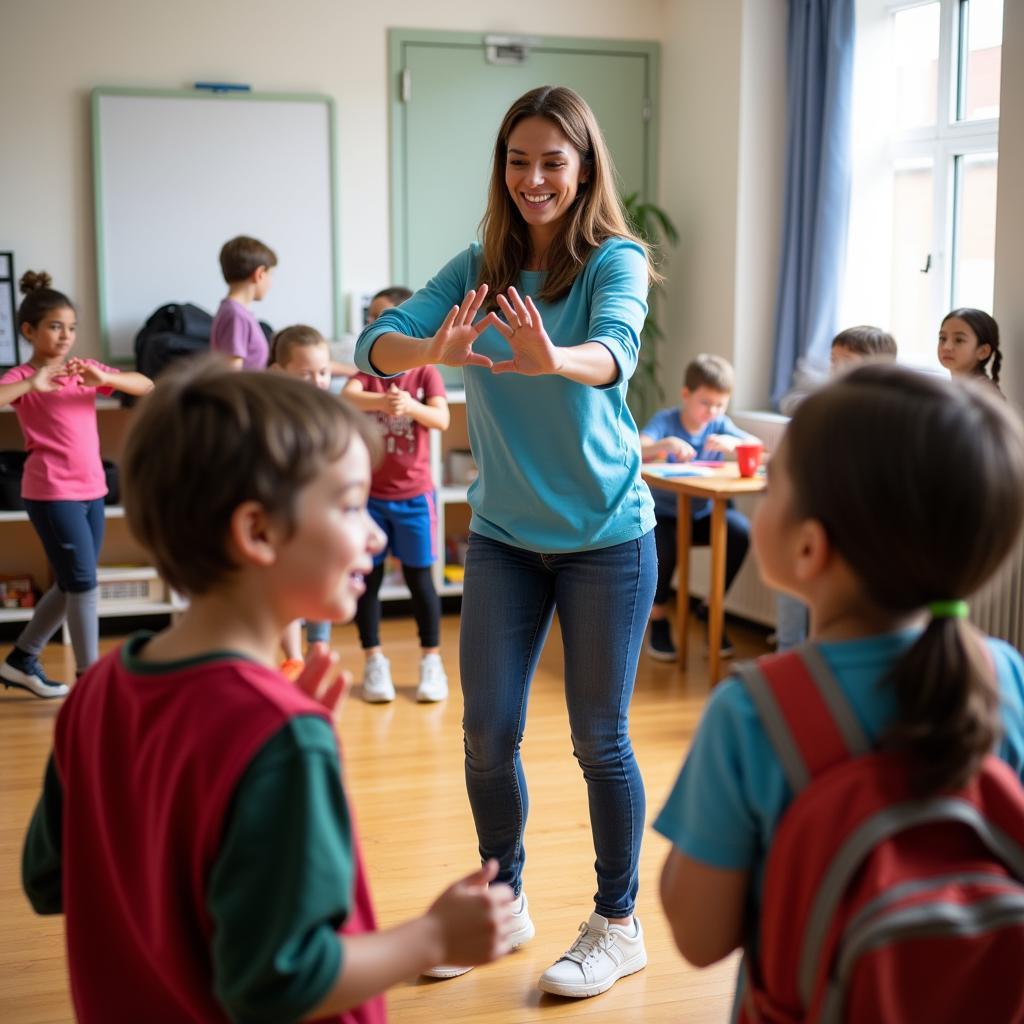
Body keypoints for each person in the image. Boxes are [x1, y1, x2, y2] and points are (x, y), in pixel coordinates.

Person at [21, 359, 515, 1023]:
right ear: (257, 531)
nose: (374, 533)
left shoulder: (98, 691)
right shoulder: (280, 737)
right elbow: (276, 984)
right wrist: (429, 938)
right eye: (348, 505)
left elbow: (50, 879)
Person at [354, 84, 658, 998]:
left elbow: (618, 351)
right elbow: (376, 342)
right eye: (518, 161)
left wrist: (552, 359)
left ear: (584, 167)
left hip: (607, 535)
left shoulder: (616, 259)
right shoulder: (479, 264)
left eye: (552, 162)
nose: (533, 178)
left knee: (600, 739)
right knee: (487, 734)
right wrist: (427, 352)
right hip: (503, 536)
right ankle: (505, 898)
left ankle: (617, 923)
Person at [655, 364, 1024, 1018]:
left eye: (771, 486)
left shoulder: (753, 711)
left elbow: (699, 937)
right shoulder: (1006, 674)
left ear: (809, 549)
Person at [0, 271, 153, 697]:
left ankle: (21, 659)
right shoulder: (23, 376)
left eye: (71, 327)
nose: (66, 336)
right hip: (51, 493)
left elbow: (146, 385)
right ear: (29, 330)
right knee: (83, 582)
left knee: (73, 581)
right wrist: (32, 383)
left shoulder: (80, 370)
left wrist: (104, 379)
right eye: (54, 326)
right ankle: (91, 681)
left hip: (92, 491)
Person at [343, 313, 450, 703]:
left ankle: (431, 663)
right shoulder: (368, 372)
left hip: (415, 497)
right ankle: (374, 661)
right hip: (371, 499)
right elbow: (347, 396)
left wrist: (410, 406)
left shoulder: (424, 372)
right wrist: (383, 400)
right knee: (366, 582)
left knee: (421, 581)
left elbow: (441, 417)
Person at [776, 325, 898, 651]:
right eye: (833, 361)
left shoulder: (883, 422)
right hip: (812, 523)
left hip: (851, 536)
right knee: (791, 598)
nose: (836, 370)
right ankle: (787, 657)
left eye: (848, 362)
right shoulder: (822, 410)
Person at [639, 354, 760, 661]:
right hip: (666, 514)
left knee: (740, 532)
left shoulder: (720, 424)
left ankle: (711, 608)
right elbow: (637, 447)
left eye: (720, 405)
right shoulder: (666, 421)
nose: (713, 412)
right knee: (662, 544)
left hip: (705, 514)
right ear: (686, 395)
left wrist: (737, 445)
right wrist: (664, 445)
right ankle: (659, 616)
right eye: (706, 403)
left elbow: (760, 448)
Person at [270, 325, 336, 671]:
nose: (317, 382)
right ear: (279, 374)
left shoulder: (328, 414)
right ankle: (294, 657)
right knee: (286, 589)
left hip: (318, 516)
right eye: (305, 374)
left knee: (319, 582)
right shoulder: (271, 416)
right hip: (283, 516)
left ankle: (317, 649)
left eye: (323, 373)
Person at [210, 235, 277, 370]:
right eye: (271, 275)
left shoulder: (235, 312)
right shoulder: (236, 315)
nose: (271, 282)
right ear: (259, 274)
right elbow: (233, 374)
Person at [938, 307, 1003, 392]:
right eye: (943, 338)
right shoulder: (957, 388)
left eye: (959, 340)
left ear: (983, 351)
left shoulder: (983, 393)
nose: (946, 347)